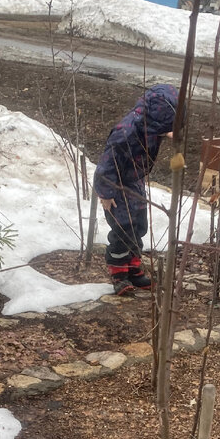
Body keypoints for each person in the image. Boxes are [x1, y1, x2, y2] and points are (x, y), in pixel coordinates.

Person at [93, 83, 178, 296]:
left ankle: (133, 268)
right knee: (123, 229)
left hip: (134, 182)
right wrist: (105, 193)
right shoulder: (125, 132)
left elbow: (159, 133)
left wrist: (169, 133)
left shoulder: (151, 126)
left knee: (139, 225)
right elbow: (106, 165)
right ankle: (118, 273)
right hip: (117, 185)